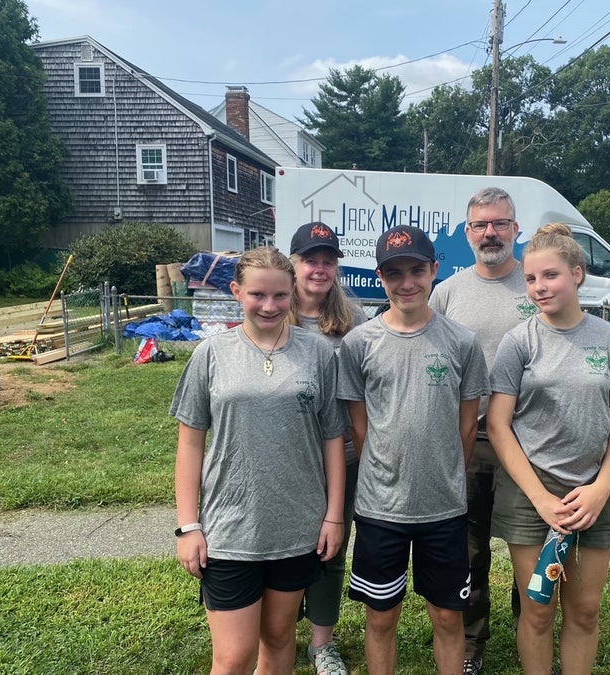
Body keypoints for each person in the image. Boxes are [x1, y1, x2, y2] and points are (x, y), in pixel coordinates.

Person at [171, 247, 347, 675]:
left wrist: (334, 516)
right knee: (233, 657)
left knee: (279, 639)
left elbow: (333, 439)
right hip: (230, 529)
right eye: (257, 295)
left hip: (297, 527)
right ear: (237, 291)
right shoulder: (211, 354)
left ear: (293, 293)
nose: (269, 306)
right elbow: (190, 446)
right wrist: (189, 526)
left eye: (280, 295)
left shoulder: (318, 354)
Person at [487, 223, 610, 674]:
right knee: (538, 608)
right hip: (530, 490)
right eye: (531, 279)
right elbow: (498, 425)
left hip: (594, 489)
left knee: (585, 610)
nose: (539, 287)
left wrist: (601, 488)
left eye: (550, 275)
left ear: (577, 274)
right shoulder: (519, 342)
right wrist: (540, 498)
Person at [337, 225, 490, 675]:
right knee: (382, 617)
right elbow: (360, 427)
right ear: (380, 277)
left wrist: (444, 474)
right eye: (394, 273)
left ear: (434, 270)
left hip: (443, 508)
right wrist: (387, 472)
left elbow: (468, 425)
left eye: (416, 271)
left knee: (446, 616)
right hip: (380, 508)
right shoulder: (359, 343)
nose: (407, 283)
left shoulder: (461, 342)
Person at [429, 187, 535, 675]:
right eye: (480, 225)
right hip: (468, 442)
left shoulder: (536, 285)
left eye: (499, 223)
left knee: (527, 547)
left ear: (516, 228)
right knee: (468, 551)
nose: (490, 233)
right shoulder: (447, 293)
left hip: (531, 443)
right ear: (468, 232)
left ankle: (531, 631)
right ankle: (472, 643)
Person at [288, 221, 367, 675]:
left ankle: (323, 644)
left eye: (327, 261)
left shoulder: (354, 322)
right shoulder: (274, 314)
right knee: (284, 547)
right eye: (310, 260)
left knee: (331, 548)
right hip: (289, 456)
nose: (319, 269)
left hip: (345, 457)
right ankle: (277, 634)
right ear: (294, 264)